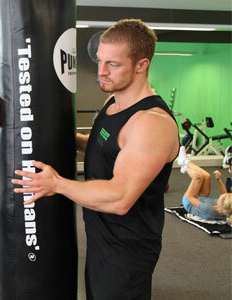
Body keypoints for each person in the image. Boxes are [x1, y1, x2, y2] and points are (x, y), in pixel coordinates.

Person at [12, 19, 180, 299]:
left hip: (128, 250)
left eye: (112, 64)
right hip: (101, 238)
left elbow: (120, 197)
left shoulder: (151, 124)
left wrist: (57, 185)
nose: (101, 72)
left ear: (142, 65)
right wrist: (61, 138)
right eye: (99, 61)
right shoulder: (113, 103)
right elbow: (106, 147)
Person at [178, 146, 232, 225]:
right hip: (203, 198)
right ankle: (185, 164)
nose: (221, 196)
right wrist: (218, 180)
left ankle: (185, 162)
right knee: (207, 176)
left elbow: (189, 197)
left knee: (199, 177)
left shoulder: (208, 210)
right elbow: (225, 194)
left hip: (189, 202)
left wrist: (194, 180)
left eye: (222, 198)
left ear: (220, 205)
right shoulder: (225, 209)